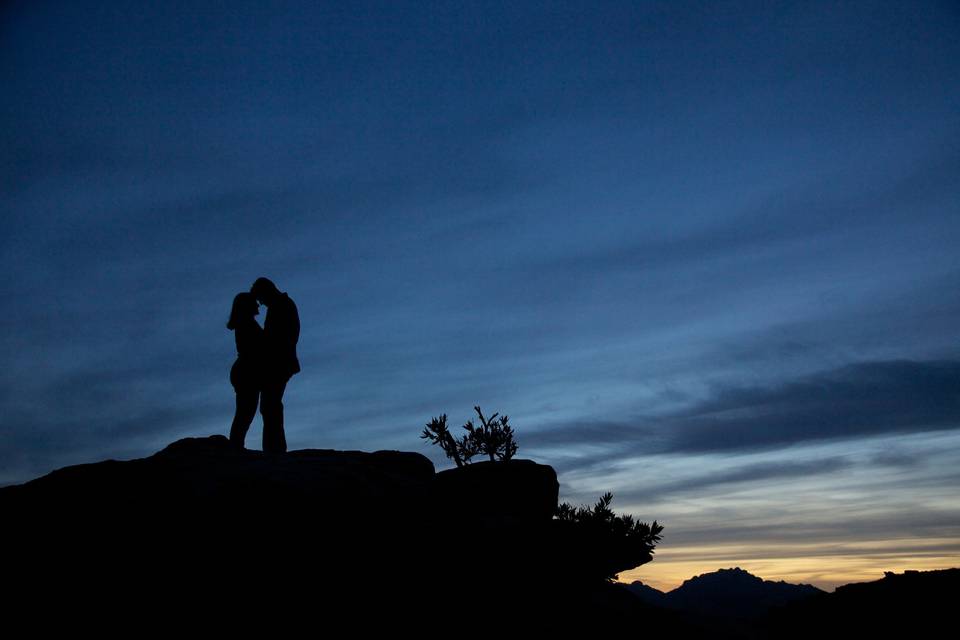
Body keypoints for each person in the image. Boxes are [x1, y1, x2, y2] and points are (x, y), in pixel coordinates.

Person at [250, 277, 300, 453]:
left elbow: (279, 338)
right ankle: (274, 448)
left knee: (270, 405)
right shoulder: (282, 305)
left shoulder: (282, 306)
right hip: (280, 363)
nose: (261, 304)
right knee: (271, 405)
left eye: (261, 299)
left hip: (279, 363)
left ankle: (274, 449)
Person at [226, 292, 264, 449]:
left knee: (244, 412)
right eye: (254, 302)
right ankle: (236, 447)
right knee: (245, 413)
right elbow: (255, 348)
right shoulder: (246, 324)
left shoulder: (246, 323)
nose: (258, 305)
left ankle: (236, 445)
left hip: (245, 371)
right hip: (246, 372)